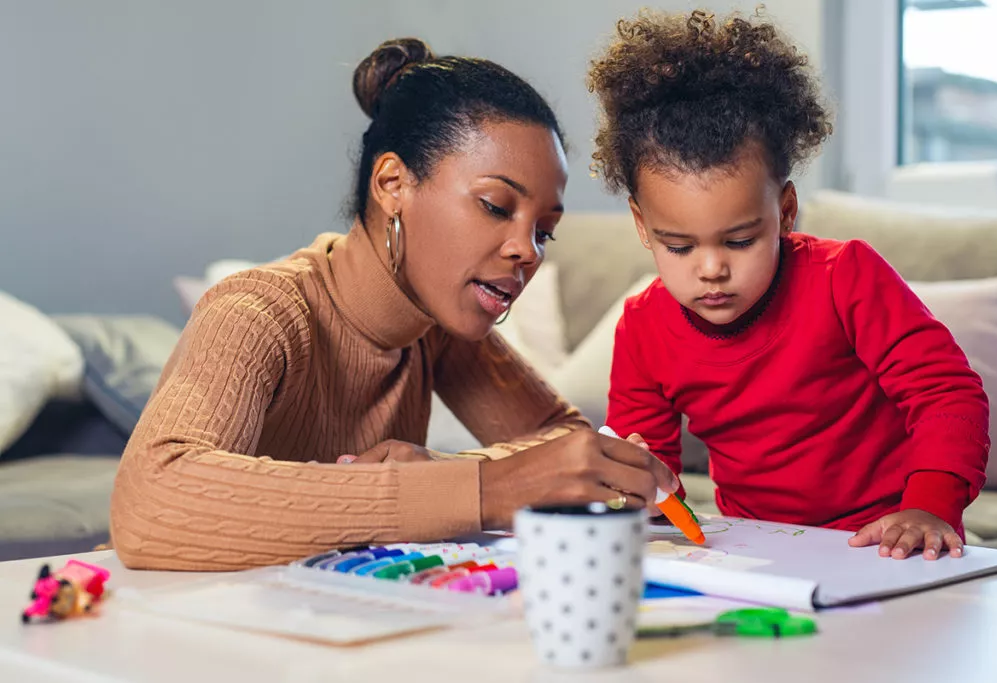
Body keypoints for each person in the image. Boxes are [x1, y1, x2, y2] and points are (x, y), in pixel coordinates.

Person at [111, 37, 677, 571]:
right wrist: (484, 490)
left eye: (544, 231)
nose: (526, 251)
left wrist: (446, 475)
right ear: (391, 185)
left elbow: (560, 441)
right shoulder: (257, 311)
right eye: (495, 205)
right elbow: (151, 499)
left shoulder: (436, 326)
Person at [589, 9, 989, 561]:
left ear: (785, 211)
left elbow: (945, 392)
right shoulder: (642, 326)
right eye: (678, 247)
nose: (711, 269)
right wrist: (639, 488)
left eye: (739, 241)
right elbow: (656, 481)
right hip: (758, 546)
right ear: (641, 225)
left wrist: (931, 506)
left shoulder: (845, 276)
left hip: (889, 537)